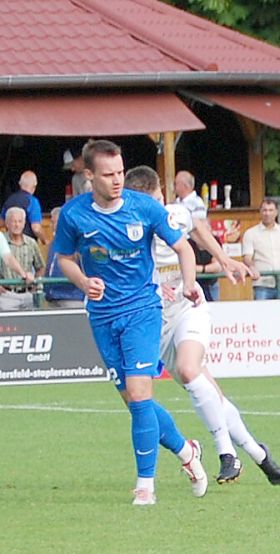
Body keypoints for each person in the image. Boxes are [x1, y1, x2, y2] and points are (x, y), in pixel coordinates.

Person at [50, 139, 207, 505]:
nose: (117, 179)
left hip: (141, 312)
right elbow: (65, 259)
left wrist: (188, 284)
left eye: (120, 171)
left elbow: (185, 248)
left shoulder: (144, 208)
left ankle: (145, 486)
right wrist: (83, 281)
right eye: (108, 174)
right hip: (102, 317)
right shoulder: (74, 215)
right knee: (136, 403)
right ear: (89, 176)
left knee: (140, 396)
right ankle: (187, 452)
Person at [124, 166, 280, 486]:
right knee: (209, 391)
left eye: (157, 201)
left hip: (190, 309)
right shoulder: (128, 235)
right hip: (155, 324)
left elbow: (198, 229)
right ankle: (258, 453)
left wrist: (225, 259)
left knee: (190, 369)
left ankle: (226, 453)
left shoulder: (174, 216)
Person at [242, 199, 280, 299]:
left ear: (276, 212)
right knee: (262, 314)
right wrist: (252, 267)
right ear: (260, 212)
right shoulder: (250, 233)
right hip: (262, 283)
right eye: (265, 210)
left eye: (271, 210)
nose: (267, 213)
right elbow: (247, 257)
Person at [174, 171, 218, 301]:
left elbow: (198, 228)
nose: (174, 187)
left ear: (185, 186)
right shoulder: (176, 202)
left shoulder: (197, 202)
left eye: (176, 184)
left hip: (192, 245)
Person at [0, 207, 44, 310]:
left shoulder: (31, 243)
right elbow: (8, 258)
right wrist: (24, 274)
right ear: (6, 223)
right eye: (13, 221)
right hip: (6, 294)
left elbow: (40, 267)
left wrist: (35, 283)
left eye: (20, 221)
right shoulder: (2, 239)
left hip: (27, 294)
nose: (17, 225)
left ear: (24, 223)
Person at [43, 207, 86, 309]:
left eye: (56, 222)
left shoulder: (78, 244)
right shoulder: (53, 244)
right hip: (52, 298)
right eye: (52, 222)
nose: (53, 226)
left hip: (72, 299)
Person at [2, 170, 45, 242]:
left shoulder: (9, 200)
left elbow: (1, 222)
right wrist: (46, 241)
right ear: (34, 186)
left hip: (9, 244)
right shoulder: (32, 201)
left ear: (20, 184)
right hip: (27, 244)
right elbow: (36, 228)